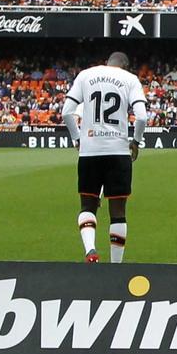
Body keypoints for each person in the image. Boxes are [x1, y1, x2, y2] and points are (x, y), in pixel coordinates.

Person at [61, 51, 149, 263]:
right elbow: (142, 117)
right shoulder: (130, 80)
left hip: (90, 151)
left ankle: (90, 249)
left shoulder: (86, 75)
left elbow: (66, 112)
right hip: (118, 151)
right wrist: (135, 142)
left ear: (107, 62)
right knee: (118, 212)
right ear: (125, 66)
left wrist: (77, 139)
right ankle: (115, 264)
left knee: (88, 205)